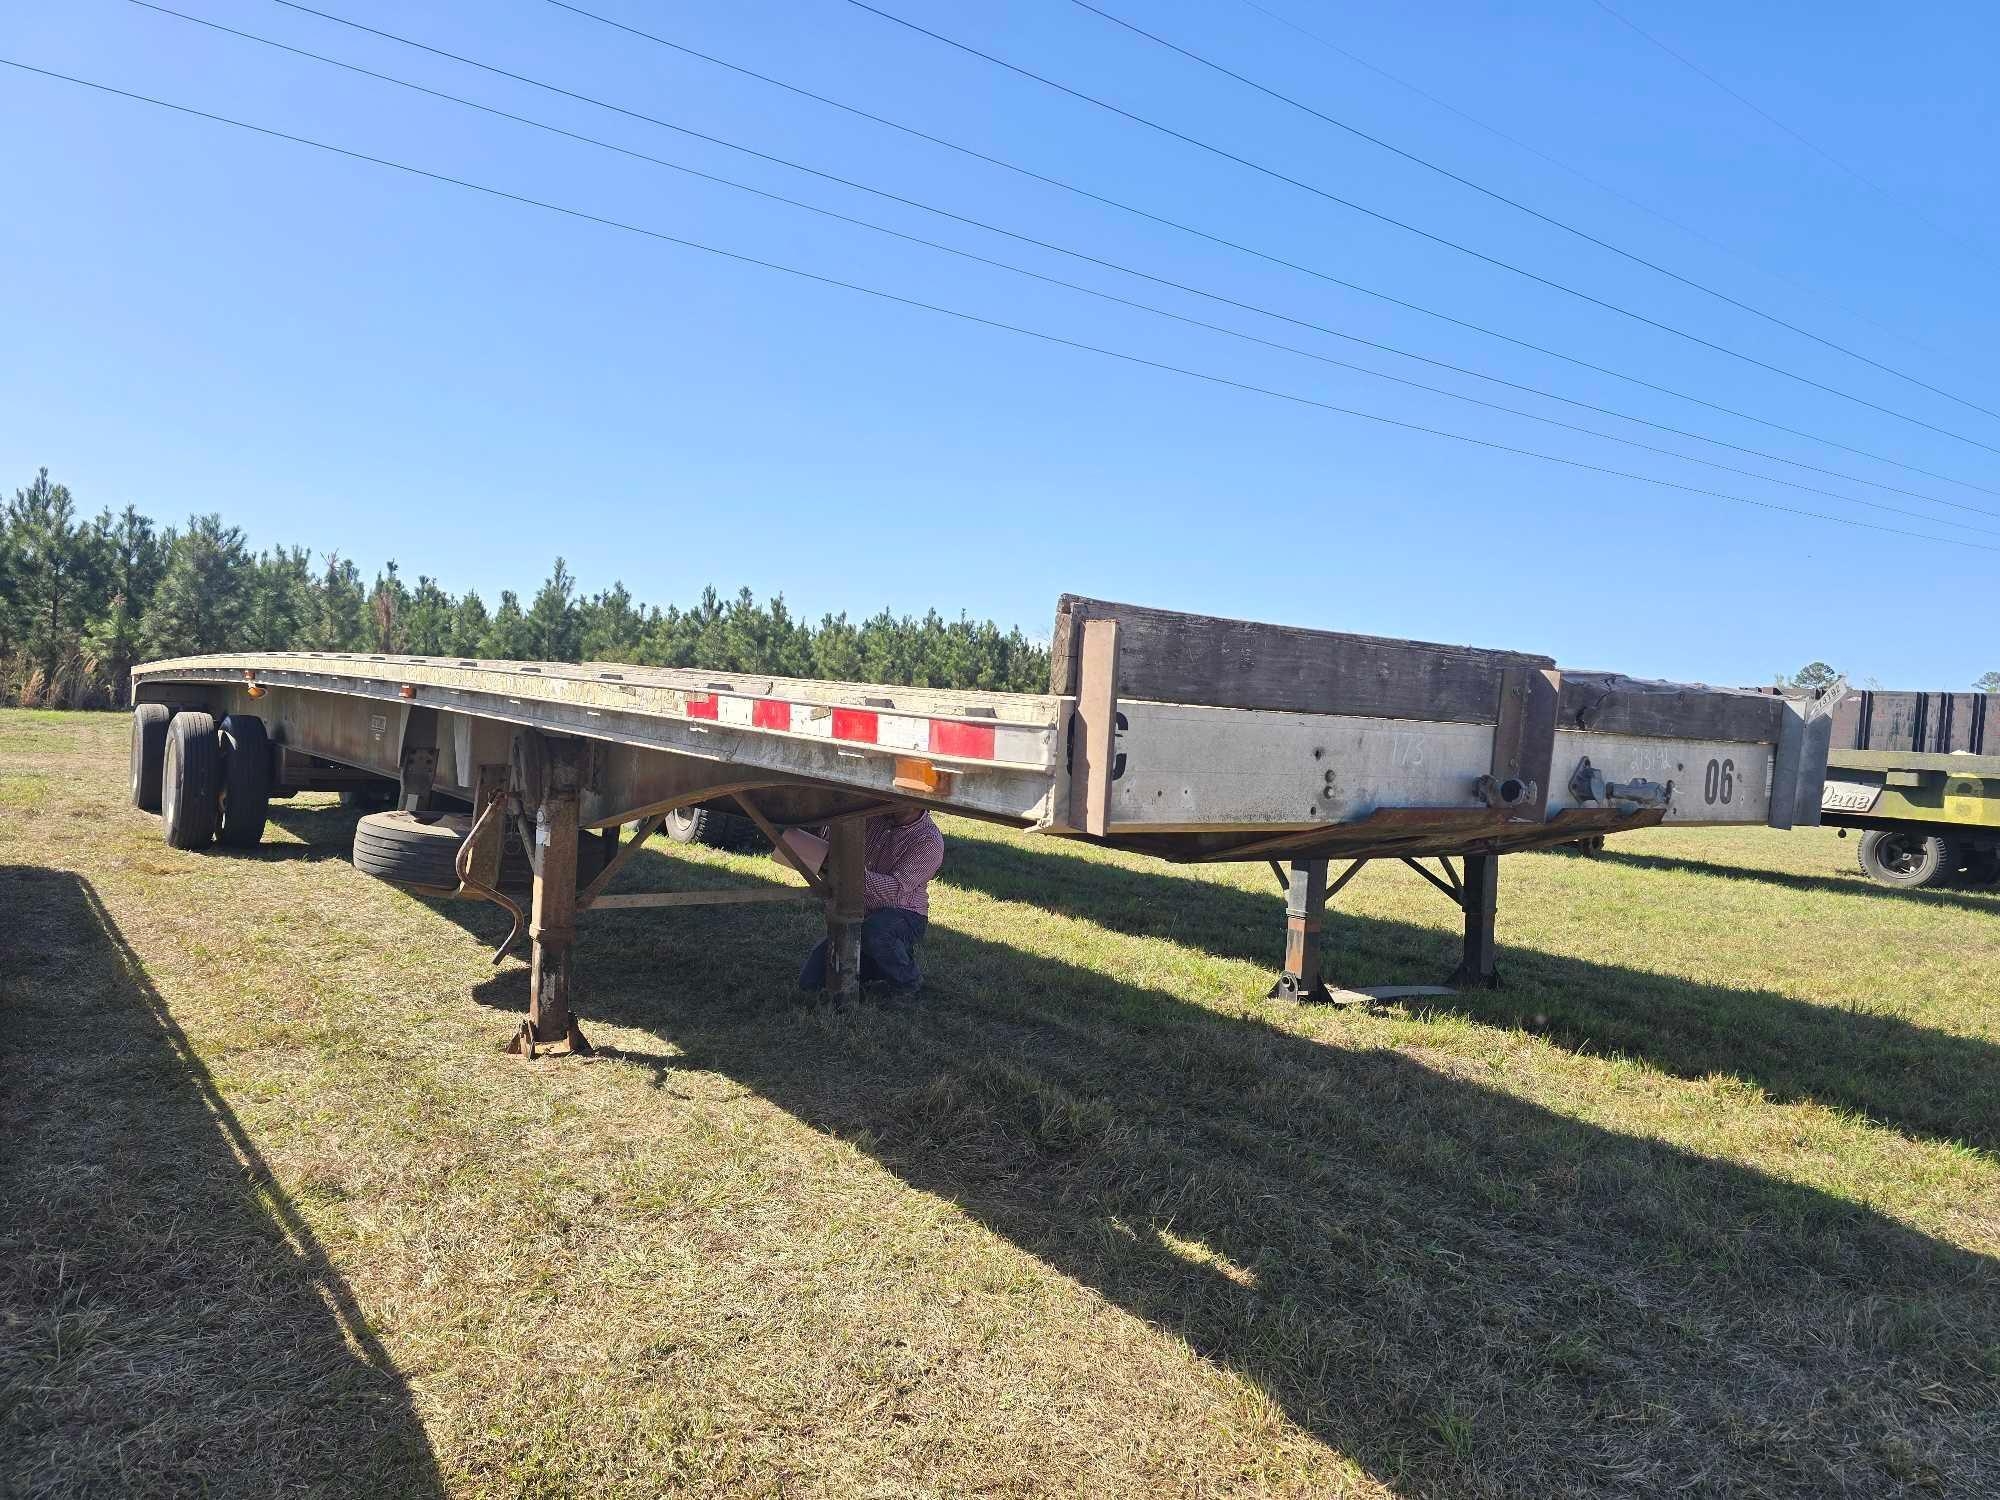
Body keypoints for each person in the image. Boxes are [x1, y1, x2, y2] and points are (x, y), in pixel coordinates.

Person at [786, 806, 944, 996]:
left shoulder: (928, 840)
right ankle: (877, 966)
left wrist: (848, 871)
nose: (890, 800)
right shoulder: (871, 816)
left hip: (905, 914)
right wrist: (817, 834)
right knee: (810, 982)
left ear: (919, 804)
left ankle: (908, 983)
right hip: (862, 910)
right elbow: (831, 841)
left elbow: (894, 889)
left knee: (876, 932)